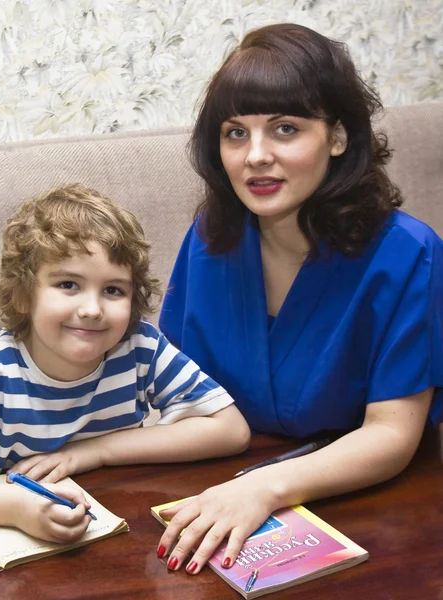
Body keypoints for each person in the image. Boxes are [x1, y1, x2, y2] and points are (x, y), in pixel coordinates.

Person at [156, 23, 443, 575]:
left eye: (284, 129)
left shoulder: (410, 254)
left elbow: (392, 434)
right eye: (235, 133)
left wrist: (263, 490)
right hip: (217, 498)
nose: (255, 156)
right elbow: (175, 391)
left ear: (337, 137)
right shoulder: (210, 239)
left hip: (376, 515)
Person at [0, 183, 250, 543]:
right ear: (22, 295)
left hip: (109, 525)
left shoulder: (138, 347)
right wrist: (16, 509)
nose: (92, 309)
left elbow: (230, 429)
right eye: (68, 284)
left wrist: (91, 452)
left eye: (114, 290)